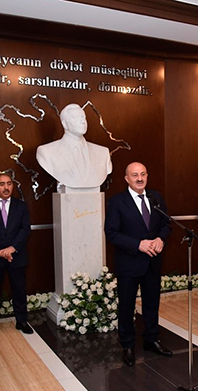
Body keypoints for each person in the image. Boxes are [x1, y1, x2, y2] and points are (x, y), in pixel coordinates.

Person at [105, 162, 172, 367]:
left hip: (153, 261)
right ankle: (127, 345)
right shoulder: (117, 201)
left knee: (152, 303)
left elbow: (166, 223)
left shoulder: (155, 197)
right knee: (127, 306)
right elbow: (111, 233)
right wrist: (138, 245)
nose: (139, 178)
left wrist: (160, 239)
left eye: (143, 174)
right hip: (129, 262)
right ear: (127, 178)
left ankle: (151, 339)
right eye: (135, 175)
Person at [0, 173, 32, 339]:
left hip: (16, 256)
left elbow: (25, 229)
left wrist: (12, 248)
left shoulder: (21, 206)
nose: (6, 187)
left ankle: (22, 321)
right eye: (2, 184)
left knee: (19, 290)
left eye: (9, 183)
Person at [36, 103, 112, 189]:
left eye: (83, 117)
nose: (82, 121)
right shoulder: (46, 152)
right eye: (76, 118)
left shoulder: (103, 153)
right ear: (64, 124)